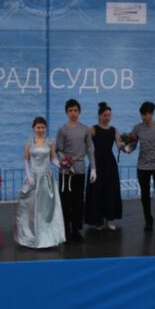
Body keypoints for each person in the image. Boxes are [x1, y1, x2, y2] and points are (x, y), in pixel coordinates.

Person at [14, 116, 65, 250]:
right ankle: (30, 236)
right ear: (34, 128)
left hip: (46, 177)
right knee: (29, 207)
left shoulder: (50, 141)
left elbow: (53, 158)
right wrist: (28, 175)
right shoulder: (29, 141)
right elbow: (26, 159)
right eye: (38, 127)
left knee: (46, 209)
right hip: (33, 176)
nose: (41, 129)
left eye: (43, 127)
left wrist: (62, 166)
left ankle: (47, 237)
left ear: (46, 128)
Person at [127, 101, 155, 233]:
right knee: (144, 196)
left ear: (152, 114)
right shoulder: (137, 128)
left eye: (147, 114)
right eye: (142, 115)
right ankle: (148, 221)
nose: (145, 117)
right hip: (142, 167)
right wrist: (127, 148)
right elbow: (132, 145)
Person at [54, 98, 94, 242]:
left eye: (75, 110)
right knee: (66, 202)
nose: (73, 113)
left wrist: (93, 168)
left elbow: (90, 149)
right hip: (66, 172)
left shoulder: (85, 129)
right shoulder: (62, 130)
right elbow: (58, 150)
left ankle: (76, 229)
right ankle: (66, 229)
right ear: (66, 112)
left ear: (79, 112)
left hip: (80, 170)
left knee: (78, 201)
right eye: (70, 110)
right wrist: (65, 162)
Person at [84, 102, 123, 230]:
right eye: (105, 115)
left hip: (110, 164)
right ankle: (98, 219)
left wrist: (127, 146)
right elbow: (88, 147)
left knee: (110, 190)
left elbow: (119, 145)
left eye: (109, 115)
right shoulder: (93, 129)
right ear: (100, 115)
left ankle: (110, 219)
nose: (107, 117)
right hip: (96, 163)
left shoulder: (114, 130)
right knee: (97, 191)